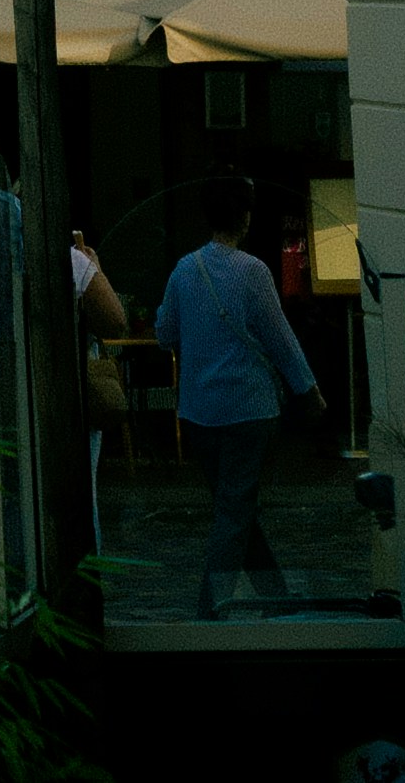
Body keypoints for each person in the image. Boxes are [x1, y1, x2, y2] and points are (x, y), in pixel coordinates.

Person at [152, 172, 325, 616]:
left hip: (198, 412)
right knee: (235, 510)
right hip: (250, 409)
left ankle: (276, 596)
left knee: (233, 505)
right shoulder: (253, 272)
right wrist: (308, 390)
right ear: (245, 217)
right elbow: (281, 339)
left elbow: (165, 332)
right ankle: (210, 610)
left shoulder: (184, 269)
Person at [70, 228, 129, 551]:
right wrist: (95, 269)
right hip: (75, 389)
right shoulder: (73, 261)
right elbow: (115, 320)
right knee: (82, 487)